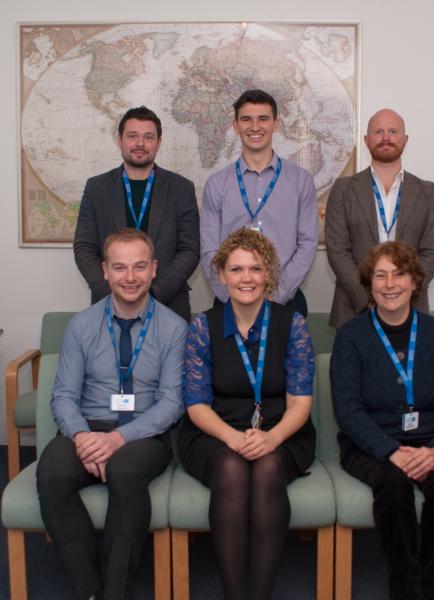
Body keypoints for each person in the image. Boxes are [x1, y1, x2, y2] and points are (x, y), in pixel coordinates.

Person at [37, 229, 187, 600]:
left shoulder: (174, 328)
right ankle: (90, 588)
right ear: (105, 271)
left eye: (139, 266)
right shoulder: (81, 325)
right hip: (88, 427)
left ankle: (116, 592)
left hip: (143, 434)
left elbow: (172, 402)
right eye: (120, 267)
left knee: (125, 470)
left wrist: (118, 439)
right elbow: (64, 395)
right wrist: (82, 437)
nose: (130, 277)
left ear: (154, 269)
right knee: (52, 472)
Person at [330, 241, 434, 600]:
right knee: (394, 487)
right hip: (370, 445)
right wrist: (390, 451)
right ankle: (405, 589)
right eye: (380, 276)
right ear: (370, 284)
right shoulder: (350, 337)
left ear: (415, 281)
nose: (390, 284)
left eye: (399, 274)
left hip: (430, 442)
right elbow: (348, 410)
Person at [178, 227, 316, 600]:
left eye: (255, 268)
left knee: (268, 467)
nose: (246, 278)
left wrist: (272, 438)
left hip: (282, 431)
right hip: (214, 432)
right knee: (231, 468)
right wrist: (233, 438)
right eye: (236, 269)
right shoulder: (203, 326)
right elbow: (196, 404)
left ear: (268, 274)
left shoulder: (292, 324)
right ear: (221, 275)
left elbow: (300, 403)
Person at [74, 105, 199, 323]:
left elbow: (189, 249)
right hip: (109, 306)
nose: (140, 143)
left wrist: (154, 295)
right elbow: (84, 247)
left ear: (159, 142)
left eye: (148, 137)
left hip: (168, 305)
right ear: (120, 140)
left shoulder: (182, 188)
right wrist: (114, 294)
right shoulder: (96, 188)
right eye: (132, 136)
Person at [200, 89, 318, 317]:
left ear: (276, 124)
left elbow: (307, 243)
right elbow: (209, 251)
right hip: (229, 302)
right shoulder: (216, 184)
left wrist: (277, 294)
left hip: (285, 302)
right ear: (235, 125)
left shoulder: (300, 180)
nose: (255, 127)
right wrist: (232, 295)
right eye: (246, 119)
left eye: (263, 118)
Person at [325, 108, 434, 328]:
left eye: (393, 131)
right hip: (354, 310)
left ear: (405, 140)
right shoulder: (343, 189)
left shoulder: (427, 192)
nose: (386, 137)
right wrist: (369, 298)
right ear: (366, 140)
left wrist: (403, 295)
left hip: (411, 310)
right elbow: (337, 251)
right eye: (378, 132)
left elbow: (432, 254)